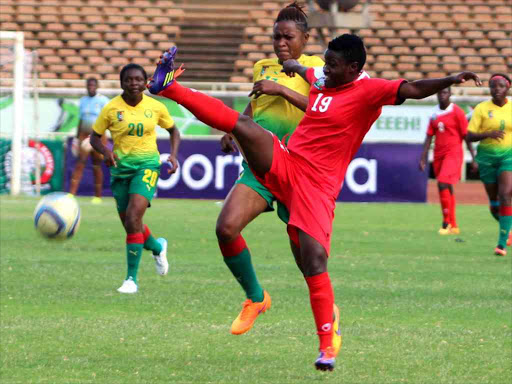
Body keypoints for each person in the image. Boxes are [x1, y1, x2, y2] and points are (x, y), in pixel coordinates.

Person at [147, 34, 481, 371]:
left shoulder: (369, 90)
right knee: (244, 128)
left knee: (313, 262)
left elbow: (411, 88)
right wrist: (291, 66)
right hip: (289, 162)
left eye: (332, 65)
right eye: (324, 62)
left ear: (353, 68)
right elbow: (305, 72)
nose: (325, 70)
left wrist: (450, 79)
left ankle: (326, 347)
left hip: (318, 187)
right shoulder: (322, 79)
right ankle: (168, 87)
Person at [216, 2, 324, 337]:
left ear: (305, 39)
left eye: (287, 37)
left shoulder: (318, 68)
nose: (280, 43)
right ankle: (255, 298)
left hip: (297, 169)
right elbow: (258, 101)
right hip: (261, 167)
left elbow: (322, 109)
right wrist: (236, 127)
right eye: (276, 37)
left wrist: (281, 89)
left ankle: (324, 308)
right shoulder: (262, 67)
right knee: (226, 228)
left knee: (304, 253)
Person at [90, 63, 181, 293]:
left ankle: (131, 280)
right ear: (121, 83)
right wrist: (105, 151)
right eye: (128, 80)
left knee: (133, 218)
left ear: (145, 82)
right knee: (132, 224)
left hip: (147, 167)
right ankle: (157, 247)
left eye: (138, 80)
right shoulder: (111, 108)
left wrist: (173, 155)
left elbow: (173, 131)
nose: (133, 84)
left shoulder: (155, 106)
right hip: (120, 170)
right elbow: (94, 137)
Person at [419, 87, 477, 235]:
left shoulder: (457, 112)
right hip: (439, 154)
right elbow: (429, 136)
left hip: (454, 153)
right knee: (446, 187)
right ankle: (454, 225)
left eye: (445, 92)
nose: (442, 95)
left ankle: (446, 223)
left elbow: (466, 136)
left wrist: (474, 157)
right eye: (440, 93)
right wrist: (423, 157)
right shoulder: (433, 113)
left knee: (442, 182)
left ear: (450, 94)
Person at [466, 74, 512, 256]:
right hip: (486, 158)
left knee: (506, 195)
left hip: (508, 156)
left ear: (507, 87)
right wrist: (488, 134)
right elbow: (469, 136)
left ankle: (501, 244)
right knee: (494, 205)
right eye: (493, 86)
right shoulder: (482, 109)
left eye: (500, 86)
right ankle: (507, 229)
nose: (496, 89)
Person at [69, 78, 110, 203]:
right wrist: (77, 138)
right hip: (84, 135)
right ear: (86, 86)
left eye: (93, 85)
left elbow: (108, 119)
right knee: (80, 162)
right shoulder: (83, 101)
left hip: (98, 136)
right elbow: (81, 120)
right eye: (89, 85)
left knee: (96, 165)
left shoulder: (103, 100)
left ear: (97, 86)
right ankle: (71, 194)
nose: (91, 87)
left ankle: (98, 196)